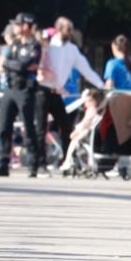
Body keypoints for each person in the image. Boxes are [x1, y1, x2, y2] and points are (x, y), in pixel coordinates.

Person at [36, 17, 103, 166]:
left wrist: (101, 84)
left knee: (66, 127)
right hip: (42, 90)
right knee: (41, 129)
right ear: (59, 29)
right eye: (68, 29)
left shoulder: (72, 50)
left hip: (56, 93)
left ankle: (67, 159)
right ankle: (40, 163)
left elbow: (85, 69)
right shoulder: (49, 46)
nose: (71, 32)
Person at [0, 13, 41, 177]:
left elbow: (23, 66)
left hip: (25, 90)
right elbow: (17, 65)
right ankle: (2, 162)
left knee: (28, 126)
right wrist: (12, 64)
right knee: (4, 126)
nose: (15, 27)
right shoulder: (15, 44)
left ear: (26, 26)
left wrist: (6, 63)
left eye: (18, 24)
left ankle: (34, 164)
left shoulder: (35, 45)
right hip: (10, 88)